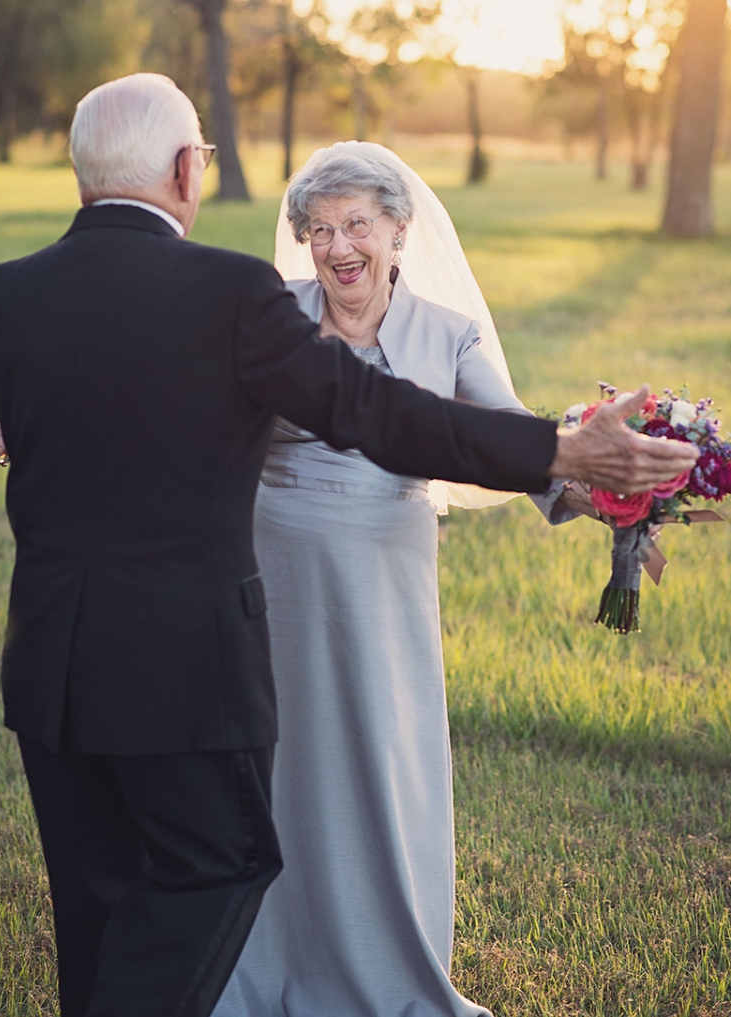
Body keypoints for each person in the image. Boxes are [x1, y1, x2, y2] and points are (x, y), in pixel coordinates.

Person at [0, 74, 696, 1017]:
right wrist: (560, 445)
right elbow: (372, 410)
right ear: (180, 169)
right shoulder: (234, 292)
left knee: (98, 901)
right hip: (189, 662)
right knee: (224, 865)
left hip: (51, 670)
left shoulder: (0, 296)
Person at [209, 142, 605, 1017]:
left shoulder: (446, 333)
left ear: (398, 229)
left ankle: (383, 966)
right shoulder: (271, 318)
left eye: (357, 224)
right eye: (319, 229)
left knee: (383, 758)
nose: (338, 245)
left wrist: (605, 499)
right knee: (276, 763)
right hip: (274, 577)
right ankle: (260, 960)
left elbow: (510, 441)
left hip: (384, 579)